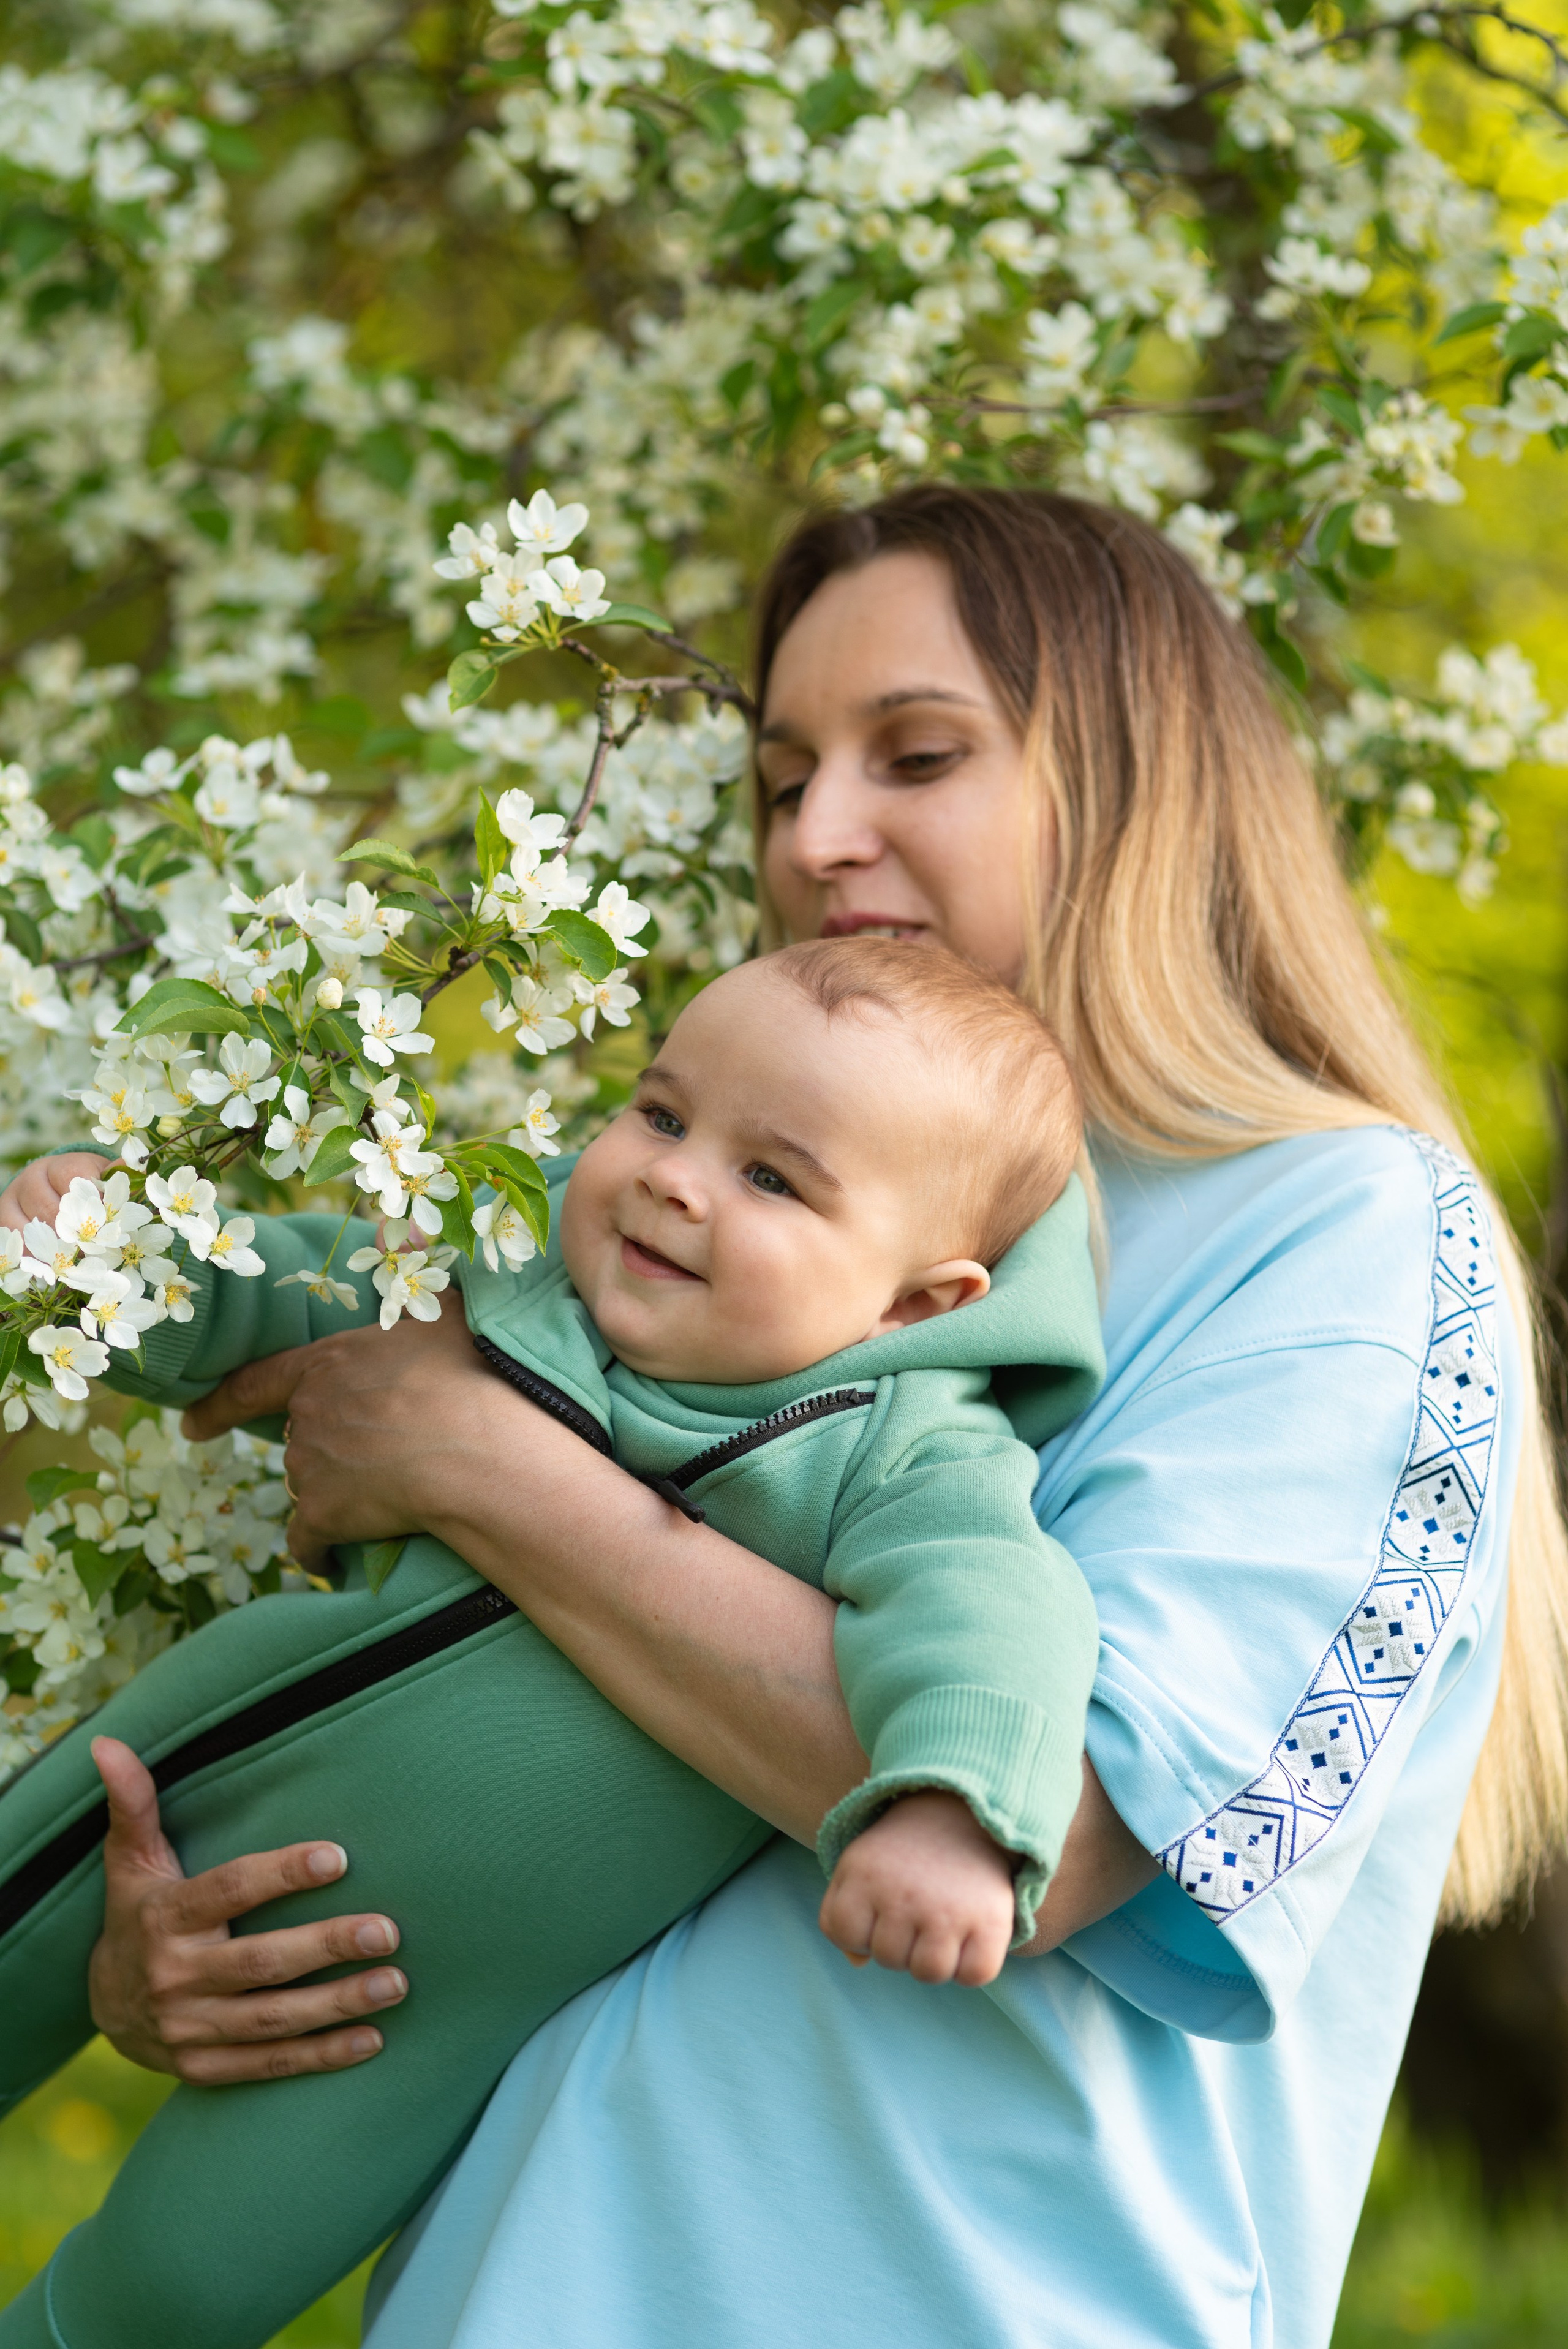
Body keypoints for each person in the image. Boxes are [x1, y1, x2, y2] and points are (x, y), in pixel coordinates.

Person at [65, 488, 1568, 2349]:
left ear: (1138, 779)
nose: (818, 836)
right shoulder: (703, 1212)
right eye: (783, 782)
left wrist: (470, 1454)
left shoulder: (1332, 1220)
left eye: (914, 754)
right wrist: (207, 1943)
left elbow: (1065, 1831)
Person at [0, 938, 1103, 2349]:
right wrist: (119, 1258)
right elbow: (303, 1293)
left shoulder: (898, 1459)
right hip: (182, 1780)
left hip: (400, 2007)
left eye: (771, 1178)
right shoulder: (504, 1290)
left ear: (919, 1302)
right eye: (660, 1111)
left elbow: (995, 1611)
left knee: (173, 2288)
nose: (673, 1174)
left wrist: (953, 1807)